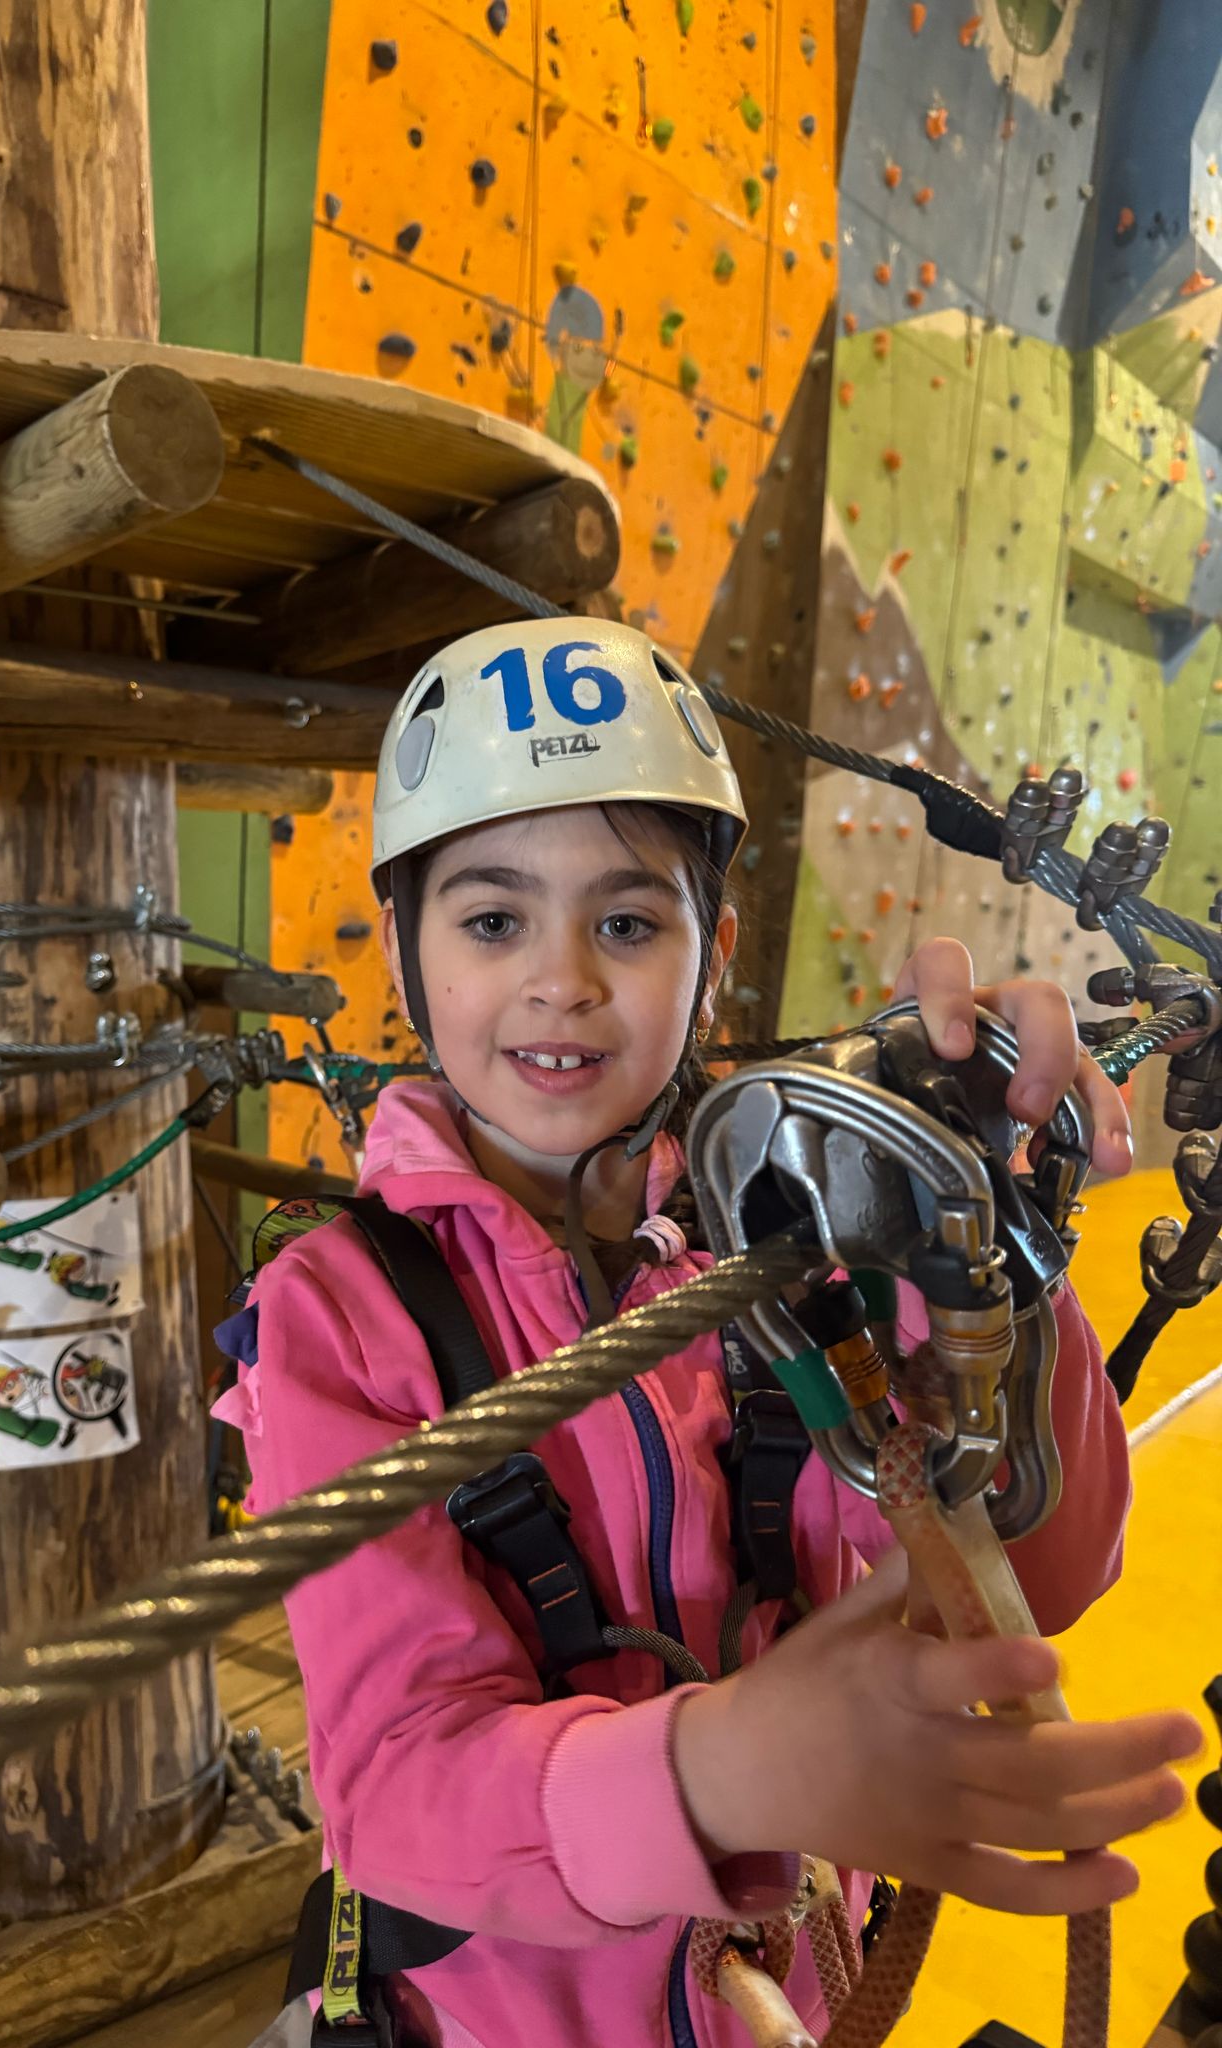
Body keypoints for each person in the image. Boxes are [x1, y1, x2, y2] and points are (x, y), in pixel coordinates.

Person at [216, 619, 1201, 2047]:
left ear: (714, 953)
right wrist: (719, 1770)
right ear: (409, 954)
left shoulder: (787, 1238)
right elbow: (398, 1793)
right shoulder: (342, 1313)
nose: (562, 979)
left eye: (628, 923)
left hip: (792, 1997)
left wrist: (983, 1232)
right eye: (492, 921)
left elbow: (1030, 1581)